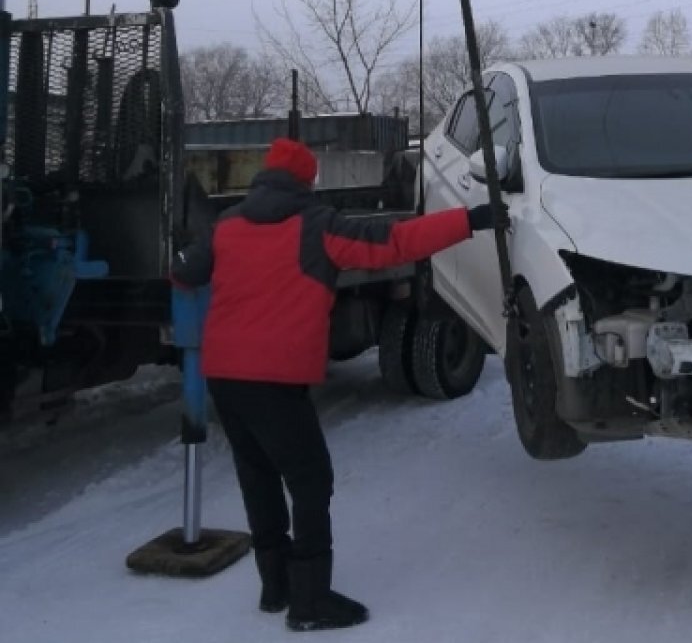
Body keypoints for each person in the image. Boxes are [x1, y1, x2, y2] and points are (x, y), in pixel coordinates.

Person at [171, 138, 505, 632]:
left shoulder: (227, 225)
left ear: (265, 176)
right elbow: (395, 242)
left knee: (257, 474)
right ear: (307, 181)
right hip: (276, 378)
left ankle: (275, 586)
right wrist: (471, 220)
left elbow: (183, 273)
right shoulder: (318, 225)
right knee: (310, 481)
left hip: (224, 375)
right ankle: (309, 602)